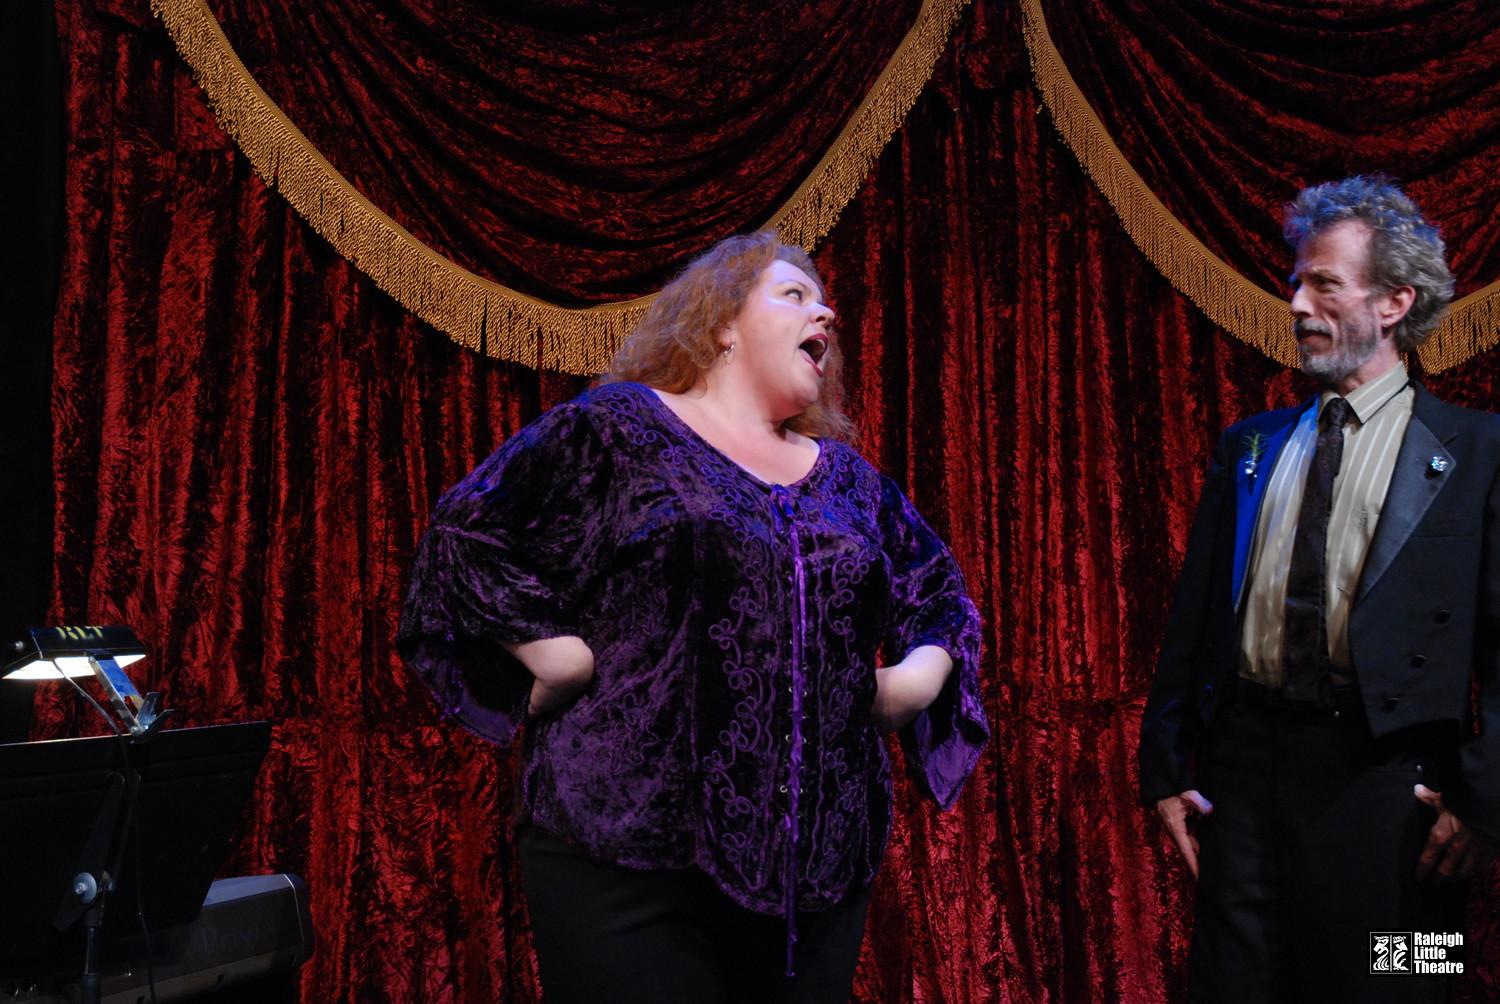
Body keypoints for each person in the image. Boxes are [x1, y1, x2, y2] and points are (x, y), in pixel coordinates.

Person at [398, 232, 989, 1003]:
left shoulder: (850, 482)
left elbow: (940, 596)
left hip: (816, 877)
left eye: (824, 302)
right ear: (723, 323)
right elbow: (469, 529)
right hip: (629, 854)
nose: (826, 313)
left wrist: (911, 682)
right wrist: (553, 654)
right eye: (794, 295)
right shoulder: (621, 429)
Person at [1139, 176, 1500, 1002]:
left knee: (1407, 982)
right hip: (1244, 781)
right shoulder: (1251, 445)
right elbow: (1196, 614)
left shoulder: (1479, 449)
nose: (1296, 304)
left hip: (1395, 790)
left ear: (1395, 302)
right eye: (1296, 281)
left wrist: (1488, 803)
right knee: (1235, 988)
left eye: (1324, 284)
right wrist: (1163, 769)